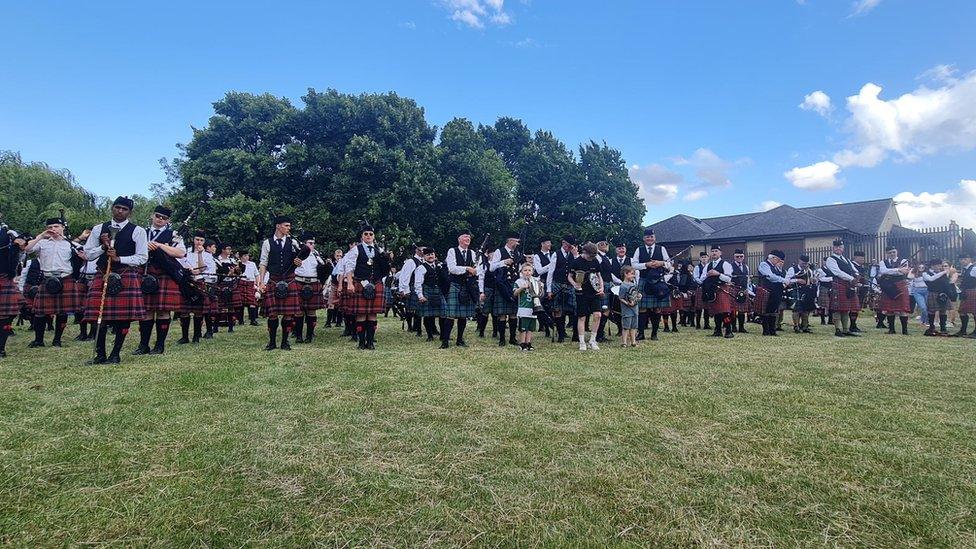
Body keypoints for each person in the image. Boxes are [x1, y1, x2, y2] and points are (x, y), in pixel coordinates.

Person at [82, 196, 148, 364]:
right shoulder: (98, 229)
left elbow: (142, 257)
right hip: (103, 273)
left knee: (123, 318)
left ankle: (115, 354)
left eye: (124, 209)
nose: (120, 211)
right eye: (117, 207)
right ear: (112, 208)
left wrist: (119, 259)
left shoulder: (137, 231)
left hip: (125, 274)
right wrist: (103, 247)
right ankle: (100, 354)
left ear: (130, 212)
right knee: (98, 316)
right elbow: (88, 254)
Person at [133, 206, 186, 355]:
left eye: (164, 218)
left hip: (165, 273)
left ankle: (159, 345)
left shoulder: (173, 235)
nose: (160, 219)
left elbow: (181, 253)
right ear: (152, 215)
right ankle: (143, 345)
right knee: (147, 311)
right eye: (158, 216)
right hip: (145, 272)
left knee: (163, 311)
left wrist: (159, 245)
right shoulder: (142, 232)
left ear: (168, 220)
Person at [24, 217, 83, 347]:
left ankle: (57, 340)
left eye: (56, 226)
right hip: (48, 280)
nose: (53, 229)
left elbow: (86, 256)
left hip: (65, 279)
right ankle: (39, 340)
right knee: (40, 312)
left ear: (62, 227)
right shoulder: (42, 243)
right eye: (50, 227)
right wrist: (40, 236)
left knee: (62, 312)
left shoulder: (71, 244)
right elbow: (27, 249)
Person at [257, 215, 306, 351]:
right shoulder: (267, 243)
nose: (288, 228)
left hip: (289, 279)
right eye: (286, 225)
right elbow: (263, 263)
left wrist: (299, 261)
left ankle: (285, 342)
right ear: (278, 226)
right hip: (273, 279)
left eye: (289, 226)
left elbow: (301, 256)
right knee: (272, 314)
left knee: (288, 314)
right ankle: (272, 342)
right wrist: (261, 282)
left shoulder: (293, 242)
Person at [339, 222, 389, 350]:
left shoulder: (379, 250)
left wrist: (387, 259)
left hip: (375, 283)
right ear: (362, 236)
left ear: (374, 236)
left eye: (370, 234)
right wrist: (349, 283)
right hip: (360, 282)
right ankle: (361, 342)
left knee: (372, 314)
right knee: (361, 314)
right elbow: (349, 267)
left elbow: (385, 269)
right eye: (365, 234)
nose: (368, 236)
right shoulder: (356, 249)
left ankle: (371, 342)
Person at [442, 230, 484, 348]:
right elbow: (452, 268)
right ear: (459, 239)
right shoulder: (452, 251)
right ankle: (445, 341)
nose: (468, 238)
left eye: (469, 237)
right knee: (450, 315)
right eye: (465, 236)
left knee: (463, 315)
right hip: (456, 285)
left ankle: (460, 340)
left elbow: (480, 269)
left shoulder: (473, 253)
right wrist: (467, 269)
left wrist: (475, 271)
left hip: (468, 287)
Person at [177, 231, 217, 344]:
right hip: (186, 282)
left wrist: (199, 255)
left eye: (201, 240)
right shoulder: (185, 252)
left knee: (198, 311)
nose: (199, 242)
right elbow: (180, 264)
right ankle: (184, 337)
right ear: (193, 240)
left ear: (204, 242)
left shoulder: (207, 255)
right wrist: (188, 270)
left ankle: (196, 336)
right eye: (197, 239)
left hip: (199, 282)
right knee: (184, 311)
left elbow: (203, 268)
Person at [632, 228, 670, 341]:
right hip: (644, 280)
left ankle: (654, 334)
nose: (649, 238)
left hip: (658, 281)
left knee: (657, 308)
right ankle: (641, 333)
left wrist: (661, 263)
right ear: (644, 238)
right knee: (642, 308)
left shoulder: (661, 249)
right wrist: (646, 265)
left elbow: (669, 264)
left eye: (651, 236)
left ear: (655, 238)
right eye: (647, 237)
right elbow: (633, 265)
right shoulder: (639, 249)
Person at [569, 242, 605, 351]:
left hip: (594, 292)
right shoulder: (576, 262)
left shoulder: (595, 261)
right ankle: (582, 342)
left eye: (594, 256)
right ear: (584, 252)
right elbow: (570, 277)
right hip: (581, 293)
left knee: (598, 315)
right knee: (582, 317)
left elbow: (599, 276)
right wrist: (574, 284)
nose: (592, 258)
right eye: (590, 256)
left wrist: (602, 287)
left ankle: (592, 340)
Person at [291, 232, 326, 344]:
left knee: (311, 312)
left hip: (313, 283)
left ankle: (309, 336)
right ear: (304, 244)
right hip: (299, 282)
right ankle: (298, 336)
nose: (313, 245)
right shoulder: (297, 254)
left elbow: (323, 269)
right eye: (310, 243)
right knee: (299, 312)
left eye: (313, 243)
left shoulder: (316, 255)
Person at [489, 234, 522, 347]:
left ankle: (512, 338)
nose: (518, 244)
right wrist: (504, 262)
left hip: (514, 284)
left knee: (513, 313)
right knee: (502, 314)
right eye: (516, 241)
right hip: (503, 284)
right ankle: (502, 339)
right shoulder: (499, 251)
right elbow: (492, 267)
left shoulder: (517, 253)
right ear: (510, 241)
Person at [823, 240, 860, 338]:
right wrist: (851, 278)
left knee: (846, 309)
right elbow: (837, 272)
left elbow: (854, 270)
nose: (838, 248)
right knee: (837, 309)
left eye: (840, 247)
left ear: (843, 248)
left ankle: (846, 330)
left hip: (848, 285)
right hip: (839, 284)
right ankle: (837, 330)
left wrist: (857, 275)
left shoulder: (846, 259)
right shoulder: (831, 259)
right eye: (836, 246)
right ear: (833, 248)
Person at [755, 250, 797, 336]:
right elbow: (770, 276)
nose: (779, 262)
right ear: (773, 258)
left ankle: (772, 330)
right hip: (767, 291)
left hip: (776, 291)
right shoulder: (764, 264)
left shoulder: (774, 266)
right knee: (766, 311)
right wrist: (783, 280)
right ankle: (766, 331)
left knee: (774, 311)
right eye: (778, 260)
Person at [697, 244, 735, 338]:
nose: (714, 253)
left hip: (722, 289)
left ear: (720, 253)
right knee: (716, 311)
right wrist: (707, 275)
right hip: (711, 290)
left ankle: (729, 331)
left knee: (725, 311)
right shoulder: (708, 265)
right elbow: (702, 278)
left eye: (716, 251)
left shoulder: (725, 264)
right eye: (712, 251)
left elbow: (728, 279)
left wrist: (718, 274)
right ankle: (717, 330)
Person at [0, 225, 27, 357]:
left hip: (4, 276)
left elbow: (19, 256)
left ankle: (1, 348)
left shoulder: (9, 233)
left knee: (6, 317)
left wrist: (17, 246)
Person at [876, 245, 912, 335]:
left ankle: (905, 330)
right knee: (889, 309)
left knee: (903, 309)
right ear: (887, 253)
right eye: (890, 253)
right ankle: (891, 329)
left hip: (900, 285)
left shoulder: (904, 261)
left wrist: (892, 270)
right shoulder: (882, 262)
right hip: (888, 286)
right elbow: (883, 271)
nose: (892, 254)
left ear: (897, 252)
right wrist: (898, 269)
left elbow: (904, 272)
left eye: (893, 252)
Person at [548, 235, 578, 343]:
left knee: (575, 309)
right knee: (558, 310)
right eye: (567, 245)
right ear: (563, 243)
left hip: (570, 285)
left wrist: (575, 255)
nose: (568, 247)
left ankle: (576, 334)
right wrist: (549, 289)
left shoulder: (574, 255)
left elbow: (579, 267)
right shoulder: (556, 254)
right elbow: (550, 272)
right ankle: (561, 334)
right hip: (557, 283)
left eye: (570, 246)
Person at [413, 247, 444, 342]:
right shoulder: (421, 268)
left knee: (443, 315)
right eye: (428, 255)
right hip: (427, 291)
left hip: (438, 292)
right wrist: (420, 296)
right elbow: (417, 283)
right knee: (428, 316)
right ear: (424, 256)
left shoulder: (439, 266)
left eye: (432, 254)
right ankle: (430, 335)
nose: (430, 256)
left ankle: (443, 335)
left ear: (435, 255)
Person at [512, 263, 541, 351]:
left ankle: (528, 343)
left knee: (530, 328)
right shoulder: (519, 281)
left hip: (533, 308)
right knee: (523, 328)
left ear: (532, 272)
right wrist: (522, 288)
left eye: (529, 270)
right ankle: (522, 343)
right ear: (521, 272)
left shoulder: (535, 281)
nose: (527, 272)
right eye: (525, 270)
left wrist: (541, 287)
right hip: (523, 308)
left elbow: (540, 293)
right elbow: (515, 293)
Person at [922, 258, 953, 336]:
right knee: (931, 311)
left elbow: (946, 282)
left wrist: (949, 293)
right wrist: (944, 272)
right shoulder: (925, 273)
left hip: (943, 293)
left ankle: (943, 327)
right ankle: (932, 327)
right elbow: (931, 279)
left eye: (940, 265)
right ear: (932, 266)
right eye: (938, 265)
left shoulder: (942, 273)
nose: (939, 267)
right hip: (933, 293)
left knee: (943, 310)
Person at [399, 244, 424, 337]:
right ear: (417, 251)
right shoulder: (411, 261)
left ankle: (417, 327)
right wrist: (404, 290)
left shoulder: (425, 261)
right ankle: (410, 327)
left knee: (419, 309)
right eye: (422, 250)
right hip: (412, 286)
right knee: (410, 309)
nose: (424, 252)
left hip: (421, 287)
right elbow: (405, 276)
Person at [786, 255, 815, 333]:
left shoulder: (809, 271)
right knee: (797, 309)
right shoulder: (792, 269)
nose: (804, 265)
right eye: (803, 263)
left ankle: (805, 326)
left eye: (806, 263)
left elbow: (811, 280)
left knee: (806, 309)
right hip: (796, 290)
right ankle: (796, 326)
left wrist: (813, 280)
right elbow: (787, 280)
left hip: (806, 291)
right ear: (799, 261)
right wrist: (797, 280)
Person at [532, 238, 555, 338]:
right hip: (543, 283)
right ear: (542, 244)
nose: (549, 245)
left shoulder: (554, 254)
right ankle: (546, 328)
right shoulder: (537, 256)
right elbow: (539, 270)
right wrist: (552, 265)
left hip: (554, 283)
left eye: (550, 243)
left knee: (555, 306)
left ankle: (556, 327)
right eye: (547, 243)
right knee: (544, 306)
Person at [618, 264, 640, 347]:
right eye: (631, 273)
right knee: (626, 326)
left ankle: (633, 341)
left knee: (634, 326)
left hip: (635, 308)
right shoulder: (623, 286)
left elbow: (636, 294)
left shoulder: (633, 285)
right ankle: (624, 342)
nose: (633, 276)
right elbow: (621, 298)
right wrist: (627, 303)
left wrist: (639, 296)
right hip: (627, 310)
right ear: (625, 274)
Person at [955, 252, 976, 338]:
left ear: (970, 259)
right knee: (962, 311)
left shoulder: (974, 268)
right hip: (966, 292)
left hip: (973, 291)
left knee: (975, 312)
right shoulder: (966, 269)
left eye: (965, 259)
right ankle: (963, 330)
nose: (962, 261)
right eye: (961, 259)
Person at [730, 249, 751, 333]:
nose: (739, 258)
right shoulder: (730, 266)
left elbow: (748, 279)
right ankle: (734, 327)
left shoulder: (746, 267)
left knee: (742, 310)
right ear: (734, 257)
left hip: (743, 289)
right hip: (733, 289)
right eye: (737, 256)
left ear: (743, 257)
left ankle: (741, 327)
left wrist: (747, 289)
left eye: (741, 256)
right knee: (733, 310)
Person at [238, 251, 259, 326]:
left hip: (251, 283)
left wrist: (257, 285)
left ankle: (253, 320)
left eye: (247, 255)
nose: (247, 257)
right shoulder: (238, 264)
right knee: (240, 303)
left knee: (252, 302)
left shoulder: (252, 264)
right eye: (244, 255)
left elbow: (257, 275)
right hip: (241, 282)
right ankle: (240, 321)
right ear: (240, 257)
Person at [692, 252, 710, 330]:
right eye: (702, 257)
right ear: (700, 259)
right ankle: (698, 324)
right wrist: (702, 282)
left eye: (705, 257)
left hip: (708, 288)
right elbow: (695, 277)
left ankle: (707, 324)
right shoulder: (697, 267)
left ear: (708, 258)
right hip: (700, 288)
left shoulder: (710, 266)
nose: (704, 258)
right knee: (698, 308)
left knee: (707, 308)